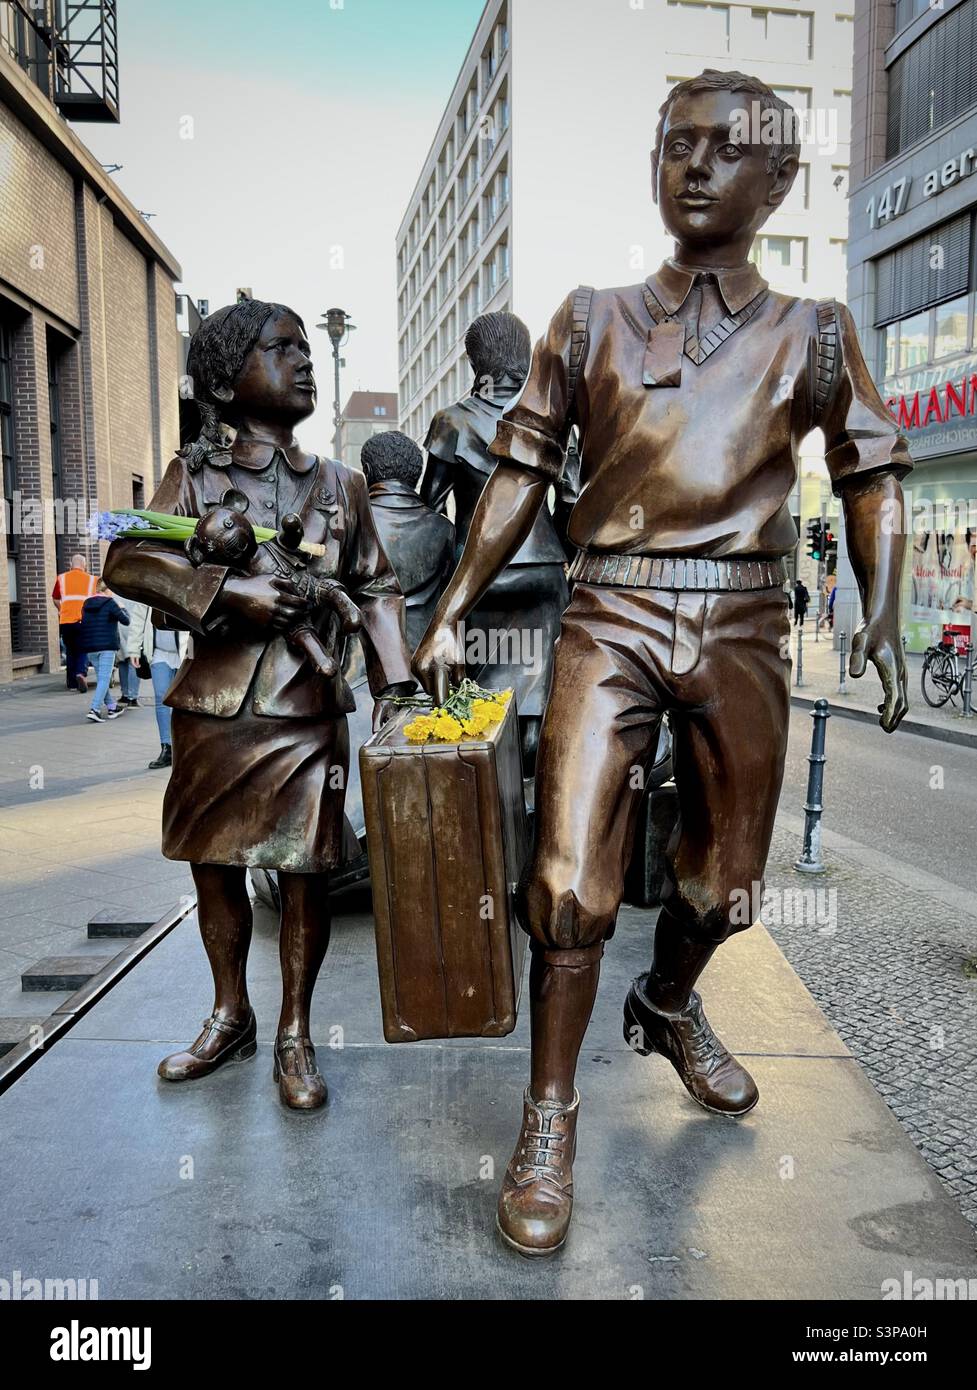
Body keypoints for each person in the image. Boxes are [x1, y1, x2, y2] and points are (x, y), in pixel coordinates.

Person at [413, 69, 912, 1255]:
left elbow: (870, 474)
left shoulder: (817, 334)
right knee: (566, 872)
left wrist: (884, 607)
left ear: (779, 180)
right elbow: (523, 472)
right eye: (671, 144)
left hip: (742, 620)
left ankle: (667, 1000)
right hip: (611, 611)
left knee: (725, 883)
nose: (691, 165)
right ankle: (549, 1113)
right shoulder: (586, 318)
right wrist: (448, 610)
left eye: (723, 149)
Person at [103, 298, 414, 1111]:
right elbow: (127, 559)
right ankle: (229, 1011)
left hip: (307, 708)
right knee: (214, 863)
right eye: (281, 349)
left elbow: (377, 587)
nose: (303, 361)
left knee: (307, 870)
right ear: (226, 377)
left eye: (308, 349)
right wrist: (226, 594)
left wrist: (397, 689)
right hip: (215, 706)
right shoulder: (193, 475)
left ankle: (296, 1032)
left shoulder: (341, 484)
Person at [421, 311, 573, 775]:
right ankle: (535, 767)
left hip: (482, 573)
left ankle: (491, 782)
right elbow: (571, 499)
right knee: (543, 675)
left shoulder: (452, 421)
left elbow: (430, 503)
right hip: (545, 568)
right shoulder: (548, 422)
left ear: (475, 362)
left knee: (482, 686)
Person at [360, 430, 455, 652]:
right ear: (417, 475)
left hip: (365, 660)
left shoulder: (351, 522)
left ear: (367, 471)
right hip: (425, 654)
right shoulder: (444, 528)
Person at [125, 601, 190, 768]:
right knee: (161, 698)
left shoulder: (180, 589)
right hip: (158, 653)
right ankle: (167, 747)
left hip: (184, 653)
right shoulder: (149, 594)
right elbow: (138, 619)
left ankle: (184, 747)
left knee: (183, 702)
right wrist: (133, 649)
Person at [76, 580, 129, 723]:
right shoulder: (111, 603)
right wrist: (122, 607)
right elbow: (126, 621)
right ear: (107, 590)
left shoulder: (86, 603)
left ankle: (112, 707)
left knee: (102, 679)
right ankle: (95, 709)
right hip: (107, 646)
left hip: (91, 647)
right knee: (104, 679)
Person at [52, 552, 96, 692]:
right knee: (83, 648)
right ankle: (80, 674)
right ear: (85, 565)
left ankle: (71, 684)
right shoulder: (92, 580)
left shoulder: (62, 578)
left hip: (66, 621)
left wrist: (62, 609)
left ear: (71, 565)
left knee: (70, 651)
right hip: (84, 621)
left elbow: (55, 598)